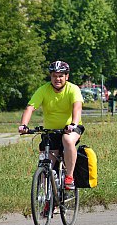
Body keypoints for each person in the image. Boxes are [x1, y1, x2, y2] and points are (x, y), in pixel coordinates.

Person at [18, 61, 84, 190]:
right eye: (54, 75)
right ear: (50, 76)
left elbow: (77, 108)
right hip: (51, 131)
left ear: (67, 76)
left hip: (70, 129)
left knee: (67, 139)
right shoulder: (43, 89)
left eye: (60, 76)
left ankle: (69, 177)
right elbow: (30, 108)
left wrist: (73, 123)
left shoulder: (73, 89)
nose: (57, 79)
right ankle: (48, 201)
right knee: (45, 165)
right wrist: (23, 125)